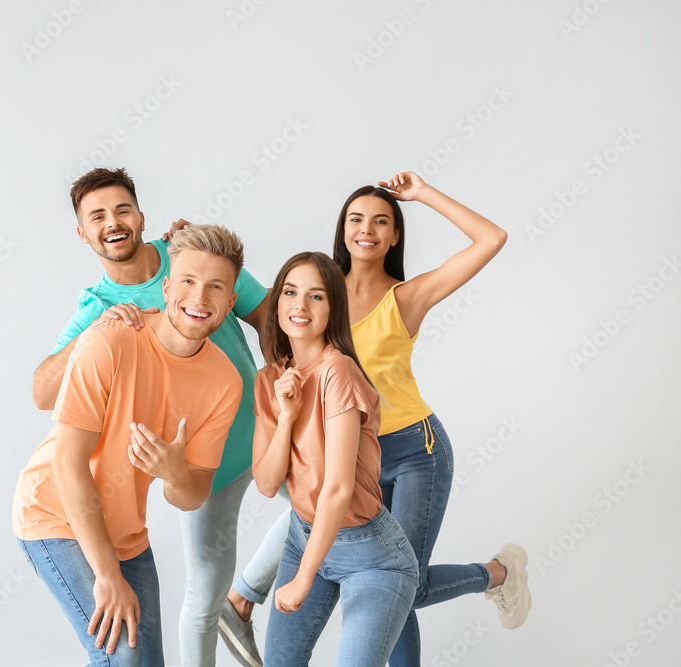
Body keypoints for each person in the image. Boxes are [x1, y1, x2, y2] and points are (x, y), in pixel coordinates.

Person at [221, 171, 532, 665]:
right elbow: (255, 301)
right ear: (342, 229)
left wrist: (423, 193)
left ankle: (496, 573)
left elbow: (491, 239)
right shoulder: (316, 294)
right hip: (343, 462)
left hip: (413, 451)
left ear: (394, 235)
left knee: (405, 585)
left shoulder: (405, 298)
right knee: (382, 577)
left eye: (381, 220)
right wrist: (183, 246)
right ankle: (244, 593)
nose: (366, 229)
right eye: (356, 218)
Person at [31, 167, 277, 666]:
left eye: (122, 209)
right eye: (96, 216)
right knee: (170, 620)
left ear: (142, 217)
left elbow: (272, 319)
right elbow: (42, 392)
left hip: (264, 429)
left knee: (336, 512)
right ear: (83, 234)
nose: (112, 222)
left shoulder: (193, 258)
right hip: (203, 467)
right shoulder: (103, 316)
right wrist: (96, 327)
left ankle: (246, 593)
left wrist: (291, 388)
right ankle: (233, 602)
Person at [252, 251, 418, 666]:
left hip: (372, 556)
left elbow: (339, 487)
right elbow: (267, 482)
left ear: (333, 309)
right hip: (302, 536)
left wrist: (303, 579)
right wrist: (286, 415)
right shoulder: (270, 379)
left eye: (316, 296)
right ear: (277, 303)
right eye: (290, 292)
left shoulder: (337, 371)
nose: (300, 306)